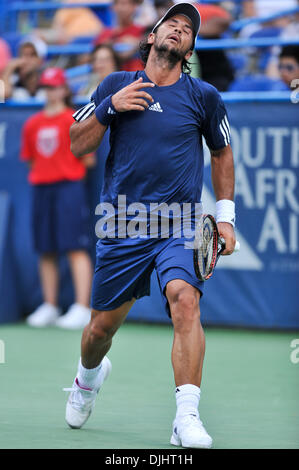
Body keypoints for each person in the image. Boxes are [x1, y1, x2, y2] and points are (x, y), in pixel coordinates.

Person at [64, 3, 236, 448]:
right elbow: (76, 143)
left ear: (191, 47)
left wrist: (225, 217)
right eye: (171, 24)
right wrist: (108, 107)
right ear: (151, 37)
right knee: (99, 331)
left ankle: (186, 417)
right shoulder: (116, 84)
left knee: (185, 301)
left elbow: (221, 153)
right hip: (121, 222)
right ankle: (87, 379)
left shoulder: (204, 96)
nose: (178, 30)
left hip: (178, 222)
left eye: (187, 30)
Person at [20, 68, 95, 330]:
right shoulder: (32, 124)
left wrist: (65, 175)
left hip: (69, 188)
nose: (50, 92)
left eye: (55, 87)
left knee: (75, 247)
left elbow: (88, 160)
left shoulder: (72, 120)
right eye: (47, 87)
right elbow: (31, 160)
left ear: (64, 89)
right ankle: (50, 305)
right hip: (42, 188)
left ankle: (82, 307)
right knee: (45, 248)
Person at [93, 0, 146, 71]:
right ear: (113, 7)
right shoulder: (106, 33)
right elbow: (89, 57)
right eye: (118, 4)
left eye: (125, 4)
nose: (122, 8)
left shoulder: (142, 31)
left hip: (137, 76)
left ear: (134, 7)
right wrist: (110, 46)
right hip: (112, 78)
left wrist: (138, 44)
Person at [2, 35, 47, 101]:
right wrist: (9, 69)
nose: (26, 60)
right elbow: (2, 95)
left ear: (40, 60)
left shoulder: (47, 76)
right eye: (23, 54)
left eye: (32, 55)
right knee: (20, 94)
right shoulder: (14, 75)